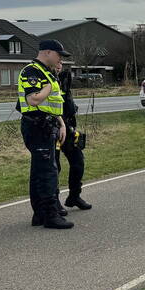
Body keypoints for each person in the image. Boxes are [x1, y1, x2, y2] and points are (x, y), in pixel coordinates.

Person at [17, 40, 73, 229]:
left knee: (41, 170)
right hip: (36, 126)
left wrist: (61, 124)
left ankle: (40, 214)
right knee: (47, 172)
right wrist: (49, 86)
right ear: (47, 52)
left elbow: (53, 104)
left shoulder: (47, 72)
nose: (60, 59)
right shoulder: (32, 71)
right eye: (59, 55)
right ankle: (50, 215)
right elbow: (33, 99)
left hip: (48, 124)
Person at [54, 64, 92, 212]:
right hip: (53, 129)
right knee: (54, 167)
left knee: (78, 162)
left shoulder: (64, 80)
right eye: (56, 63)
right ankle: (54, 202)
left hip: (68, 128)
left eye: (61, 64)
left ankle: (74, 196)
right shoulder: (46, 80)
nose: (59, 66)